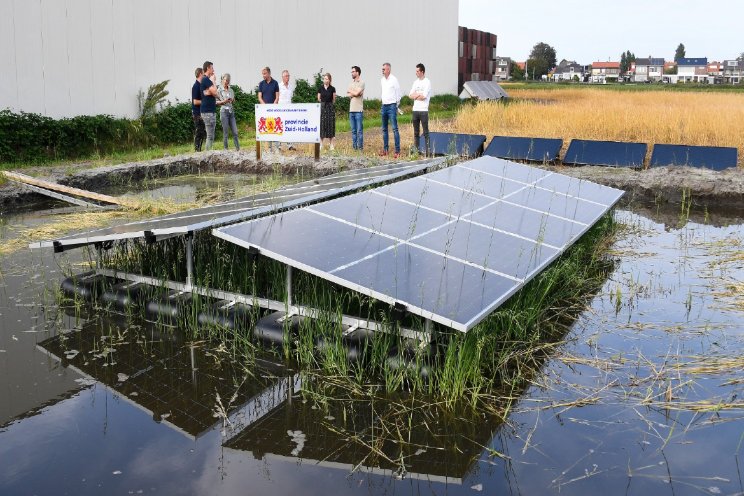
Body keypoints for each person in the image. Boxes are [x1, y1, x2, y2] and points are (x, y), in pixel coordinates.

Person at [409, 63, 431, 155]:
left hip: (423, 110)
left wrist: (416, 95)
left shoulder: (427, 82)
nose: (416, 73)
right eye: (416, 71)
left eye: (418, 71)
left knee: (425, 132)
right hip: (415, 110)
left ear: (422, 72)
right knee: (416, 133)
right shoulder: (415, 82)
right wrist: (418, 95)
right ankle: (416, 152)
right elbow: (410, 95)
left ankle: (428, 152)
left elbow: (424, 97)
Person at [380, 62, 401, 158]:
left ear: (388, 69)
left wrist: (396, 105)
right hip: (384, 106)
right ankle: (385, 150)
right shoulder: (382, 80)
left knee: (394, 129)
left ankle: (397, 151)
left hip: (392, 106)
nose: (382, 70)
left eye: (384, 69)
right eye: (382, 69)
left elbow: (398, 94)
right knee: (384, 129)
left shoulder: (394, 80)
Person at [258, 67, 280, 152]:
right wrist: (265, 107)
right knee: (268, 127)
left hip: (274, 109)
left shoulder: (275, 83)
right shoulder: (261, 84)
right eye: (262, 74)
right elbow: (259, 97)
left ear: (269, 73)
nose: (263, 75)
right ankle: (270, 147)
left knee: (275, 127)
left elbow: (277, 96)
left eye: (265, 74)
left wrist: (273, 106)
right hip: (265, 109)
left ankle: (277, 147)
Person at [217, 73, 239, 150]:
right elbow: (216, 102)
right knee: (225, 133)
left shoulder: (231, 90)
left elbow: (233, 100)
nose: (227, 82)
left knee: (235, 132)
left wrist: (232, 100)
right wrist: (224, 101)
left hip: (231, 112)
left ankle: (238, 149)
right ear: (222, 80)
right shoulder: (219, 90)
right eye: (226, 80)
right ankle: (226, 149)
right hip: (223, 112)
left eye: (228, 80)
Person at [200, 61, 218, 151]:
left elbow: (213, 93)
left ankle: (209, 153)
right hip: (208, 111)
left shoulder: (205, 80)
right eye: (212, 68)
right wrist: (214, 81)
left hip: (209, 110)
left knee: (211, 135)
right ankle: (207, 154)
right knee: (210, 136)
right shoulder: (206, 80)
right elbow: (215, 92)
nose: (213, 70)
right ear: (208, 68)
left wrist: (211, 91)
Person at [317, 72, 336, 150]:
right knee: (322, 125)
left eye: (327, 79)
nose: (325, 80)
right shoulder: (320, 88)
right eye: (324, 79)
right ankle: (321, 144)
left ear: (329, 80)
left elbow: (334, 99)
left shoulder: (332, 88)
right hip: (322, 107)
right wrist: (323, 103)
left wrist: (330, 105)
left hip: (330, 108)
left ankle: (331, 144)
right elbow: (318, 98)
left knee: (330, 125)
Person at [347, 66, 365, 151]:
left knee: (359, 131)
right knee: (353, 131)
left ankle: (360, 148)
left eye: (353, 71)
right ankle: (355, 148)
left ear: (357, 72)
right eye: (351, 72)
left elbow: (357, 93)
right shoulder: (351, 83)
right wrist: (355, 93)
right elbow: (348, 94)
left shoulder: (362, 82)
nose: (352, 73)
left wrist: (353, 92)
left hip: (358, 110)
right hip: (351, 110)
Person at [278, 69, 295, 150]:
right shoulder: (279, 86)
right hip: (281, 109)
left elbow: (290, 98)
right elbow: (277, 98)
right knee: (280, 127)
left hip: (289, 110)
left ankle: (290, 145)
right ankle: (279, 145)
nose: (288, 77)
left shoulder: (291, 86)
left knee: (289, 127)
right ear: (282, 77)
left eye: (288, 76)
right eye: (286, 76)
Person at [191, 67, 206, 151]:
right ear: (200, 74)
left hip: (201, 112)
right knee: (199, 132)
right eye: (203, 73)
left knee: (202, 132)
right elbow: (195, 102)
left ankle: (199, 149)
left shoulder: (201, 86)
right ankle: (197, 150)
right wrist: (205, 101)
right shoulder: (196, 86)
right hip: (197, 113)